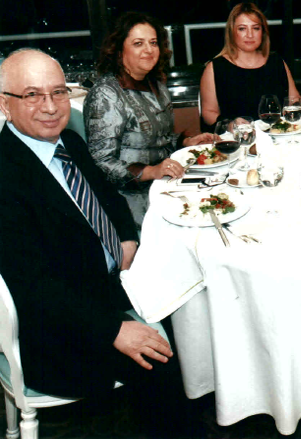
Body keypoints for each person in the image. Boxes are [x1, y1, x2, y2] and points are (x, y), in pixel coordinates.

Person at [0, 49, 194, 437]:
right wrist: (113, 329)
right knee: (165, 364)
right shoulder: (5, 176)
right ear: (5, 104)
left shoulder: (69, 142)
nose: (50, 107)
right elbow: (35, 287)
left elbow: (110, 198)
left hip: (107, 281)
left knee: (192, 307)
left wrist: (126, 237)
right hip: (62, 325)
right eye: (33, 95)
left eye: (58, 92)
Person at [84, 11, 215, 227]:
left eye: (153, 43)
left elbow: (157, 141)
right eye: (138, 43)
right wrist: (151, 171)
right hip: (130, 201)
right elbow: (102, 163)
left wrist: (186, 142)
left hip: (164, 186)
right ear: (119, 50)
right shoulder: (106, 94)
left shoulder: (157, 86)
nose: (149, 50)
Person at [200, 1, 301, 129]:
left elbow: (294, 99)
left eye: (255, 28)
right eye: (242, 28)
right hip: (237, 137)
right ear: (232, 32)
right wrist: (230, 124)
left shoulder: (276, 62)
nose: (250, 35)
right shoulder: (215, 68)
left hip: (277, 134)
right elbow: (208, 113)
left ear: (262, 32)